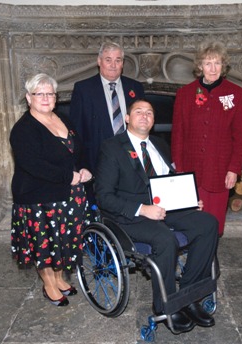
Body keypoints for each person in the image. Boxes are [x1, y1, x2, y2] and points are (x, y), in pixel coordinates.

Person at [95, 99, 219, 334]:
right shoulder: (112, 147)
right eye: (138, 112)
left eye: (149, 112)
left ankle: (189, 296)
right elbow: (104, 196)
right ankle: (167, 306)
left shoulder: (159, 144)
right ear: (128, 119)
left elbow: (168, 179)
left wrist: (188, 200)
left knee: (208, 223)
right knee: (164, 239)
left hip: (165, 208)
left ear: (154, 120)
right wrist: (142, 208)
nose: (144, 116)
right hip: (129, 215)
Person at [10, 73, 92, 307]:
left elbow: (79, 149)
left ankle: (59, 278)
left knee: (62, 241)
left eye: (50, 93)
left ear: (55, 97)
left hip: (67, 195)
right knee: (44, 243)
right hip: (38, 198)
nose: (45, 98)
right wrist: (70, 177)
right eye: (39, 93)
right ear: (29, 98)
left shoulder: (63, 118)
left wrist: (84, 168)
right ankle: (48, 284)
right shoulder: (23, 129)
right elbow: (33, 165)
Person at [171, 40, 242, 237]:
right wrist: (178, 168)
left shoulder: (236, 94)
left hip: (220, 170)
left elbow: (239, 136)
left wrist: (233, 169)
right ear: (199, 66)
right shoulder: (185, 94)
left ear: (223, 65)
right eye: (208, 63)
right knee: (191, 222)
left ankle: (210, 261)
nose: (213, 69)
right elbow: (178, 134)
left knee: (214, 223)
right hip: (190, 169)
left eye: (217, 63)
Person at [70, 41, 145, 173]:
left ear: (122, 63)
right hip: (97, 163)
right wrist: (81, 166)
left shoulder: (135, 88)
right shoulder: (83, 89)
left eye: (118, 60)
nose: (113, 65)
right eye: (108, 60)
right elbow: (77, 131)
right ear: (99, 61)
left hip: (133, 162)